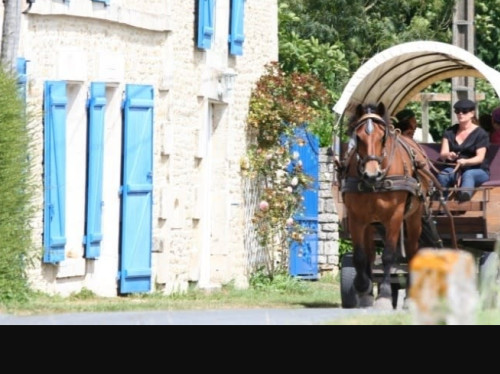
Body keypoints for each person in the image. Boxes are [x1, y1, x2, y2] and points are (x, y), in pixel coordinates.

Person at [393, 109, 444, 249]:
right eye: (414, 122)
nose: (415, 126)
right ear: (409, 124)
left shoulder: (405, 142)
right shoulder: (410, 144)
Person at [437, 99, 490, 202]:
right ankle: (440, 204)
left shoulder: (481, 134)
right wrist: (448, 155)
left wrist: (465, 162)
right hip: (454, 168)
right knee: (443, 175)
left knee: (468, 174)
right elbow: (443, 154)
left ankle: (464, 198)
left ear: (472, 113)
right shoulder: (449, 132)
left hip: (478, 170)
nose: (460, 113)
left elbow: (480, 158)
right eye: (457, 111)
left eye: (464, 111)